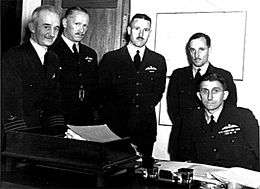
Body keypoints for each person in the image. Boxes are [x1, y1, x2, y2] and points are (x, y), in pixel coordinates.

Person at [99, 14, 167, 168]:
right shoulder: (111, 58)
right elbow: (103, 93)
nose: (141, 34)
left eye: (146, 30)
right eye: (137, 29)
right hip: (116, 130)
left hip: (145, 129)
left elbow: (158, 92)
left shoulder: (158, 60)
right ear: (129, 30)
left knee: (143, 174)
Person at [167, 32, 237, 160]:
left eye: (201, 49)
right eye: (192, 50)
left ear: (209, 49)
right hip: (183, 142)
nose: (196, 55)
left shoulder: (224, 76)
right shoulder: (178, 75)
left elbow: (230, 109)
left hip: (213, 143)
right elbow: (173, 110)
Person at [176, 73, 259, 170]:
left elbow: (257, 153)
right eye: (205, 91)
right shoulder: (190, 119)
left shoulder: (243, 117)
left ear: (225, 95)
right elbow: (182, 156)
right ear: (199, 96)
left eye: (215, 91)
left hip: (236, 180)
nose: (210, 97)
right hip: (202, 178)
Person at [2, 5, 63, 131]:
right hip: (21, 130)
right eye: (46, 27)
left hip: (45, 130)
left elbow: (54, 99)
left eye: (56, 28)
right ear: (32, 27)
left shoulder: (53, 58)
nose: (52, 34)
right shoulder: (14, 56)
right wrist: (21, 136)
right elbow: (9, 102)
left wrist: (57, 130)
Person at [50, 7, 99, 125]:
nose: (81, 30)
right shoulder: (51, 49)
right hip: (58, 119)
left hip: (85, 119)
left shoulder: (90, 54)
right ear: (65, 23)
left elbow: (94, 89)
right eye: (77, 24)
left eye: (85, 26)